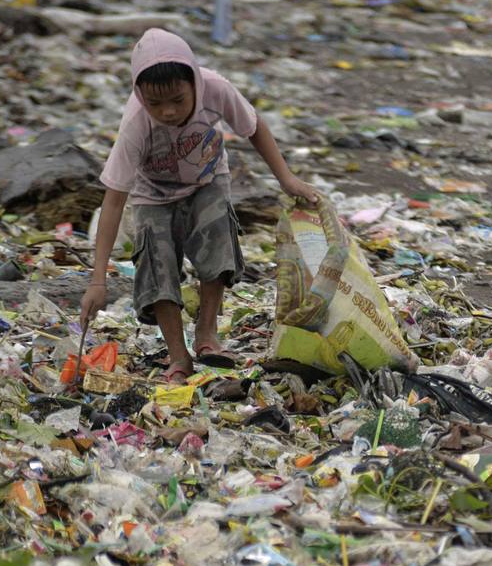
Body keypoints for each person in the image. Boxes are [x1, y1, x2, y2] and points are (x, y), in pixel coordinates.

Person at [79, 27, 319, 382]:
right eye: (155, 103)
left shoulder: (216, 89)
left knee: (218, 243)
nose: (168, 111)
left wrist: (286, 178)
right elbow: (114, 202)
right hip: (153, 195)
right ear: (139, 94)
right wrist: (97, 280)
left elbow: (254, 127)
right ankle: (178, 356)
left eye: (178, 99)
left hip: (206, 180)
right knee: (157, 266)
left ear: (194, 82)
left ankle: (207, 333)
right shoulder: (136, 123)